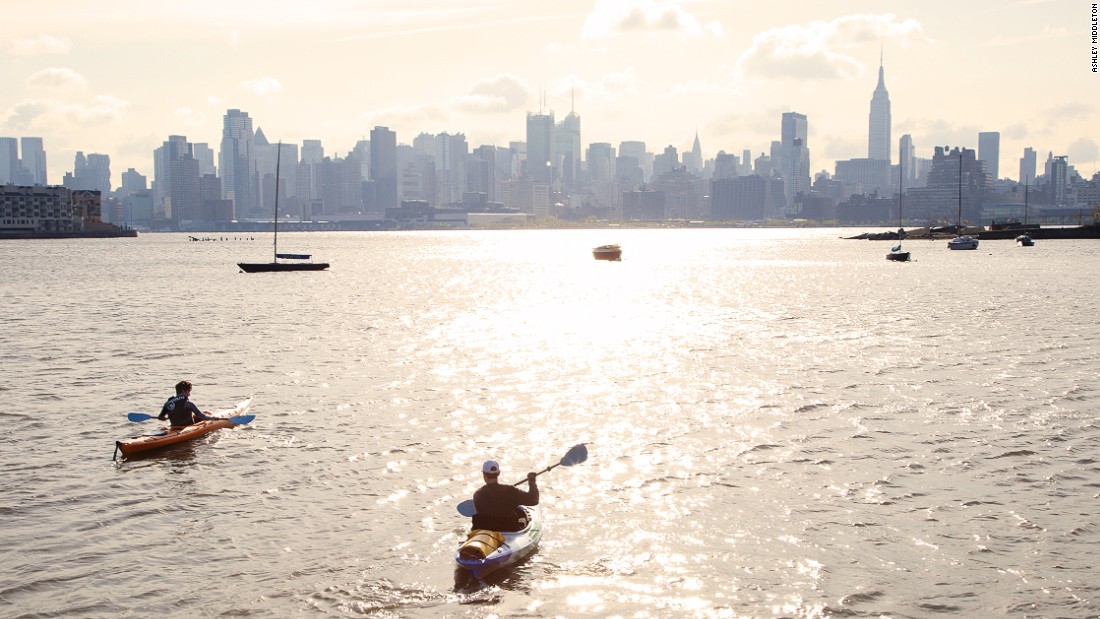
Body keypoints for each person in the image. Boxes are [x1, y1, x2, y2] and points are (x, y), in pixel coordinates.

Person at [471, 460, 539, 532]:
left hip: (486, 532)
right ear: (498, 473)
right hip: (509, 529)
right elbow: (533, 500)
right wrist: (532, 482)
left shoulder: (478, 494)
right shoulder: (510, 490)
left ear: (484, 475)